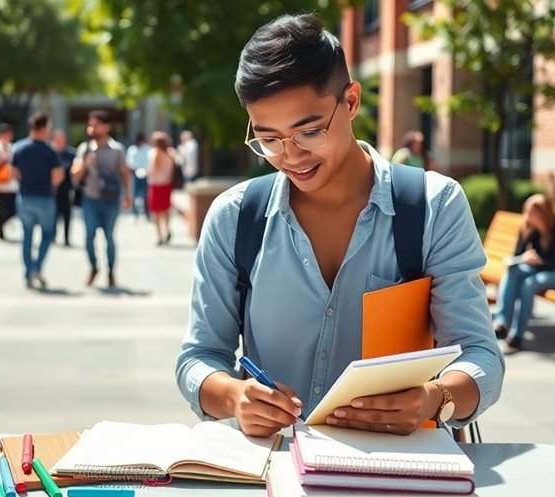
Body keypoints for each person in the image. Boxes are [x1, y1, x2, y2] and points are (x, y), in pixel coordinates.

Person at [175, 14, 503, 438]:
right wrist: (233, 396)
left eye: (309, 132)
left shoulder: (432, 206)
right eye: (269, 139)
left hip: (398, 471)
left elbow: (481, 354)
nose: (290, 156)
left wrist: (436, 397)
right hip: (274, 472)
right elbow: (199, 357)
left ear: (350, 102)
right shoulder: (235, 217)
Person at [493, 194, 555, 351]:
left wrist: (536, 260)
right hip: (539, 269)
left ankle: (517, 336)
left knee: (528, 283)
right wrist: (524, 257)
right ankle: (502, 323)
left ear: (542, 213)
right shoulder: (529, 228)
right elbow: (516, 255)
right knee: (513, 270)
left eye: (531, 212)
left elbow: (554, 263)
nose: (527, 216)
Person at [71, 110, 132, 288]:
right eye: (91, 124)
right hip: (90, 199)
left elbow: (124, 173)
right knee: (89, 236)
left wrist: (127, 195)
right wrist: (85, 163)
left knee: (109, 237)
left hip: (111, 200)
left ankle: (111, 271)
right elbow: (75, 176)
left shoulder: (117, 149)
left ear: (106, 127)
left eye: (96, 124)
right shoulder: (85, 149)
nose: (92, 128)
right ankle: (93, 266)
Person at [11, 112, 65, 289]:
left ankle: (28, 271)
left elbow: (12, 174)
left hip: (25, 196)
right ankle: (36, 267)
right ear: (45, 128)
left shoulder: (19, 148)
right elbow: (57, 177)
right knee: (48, 235)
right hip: (44, 197)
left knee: (27, 236)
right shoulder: (50, 151)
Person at [147, 131, 178, 246]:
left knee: (156, 211)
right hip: (167, 184)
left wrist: (146, 173)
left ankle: (159, 236)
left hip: (156, 185)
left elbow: (153, 169)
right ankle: (167, 229)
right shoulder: (171, 153)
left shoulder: (155, 153)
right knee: (166, 209)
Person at [51, 129, 77, 246]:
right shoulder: (50, 153)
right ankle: (53, 236)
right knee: (54, 214)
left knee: (67, 214)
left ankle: (66, 238)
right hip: (53, 189)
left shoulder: (71, 154)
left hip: (67, 189)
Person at [126, 133, 150, 219]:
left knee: (146, 194)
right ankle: (134, 213)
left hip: (146, 173)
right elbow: (129, 162)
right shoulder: (132, 149)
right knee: (134, 193)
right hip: (135, 172)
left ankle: (147, 213)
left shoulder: (148, 149)